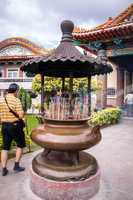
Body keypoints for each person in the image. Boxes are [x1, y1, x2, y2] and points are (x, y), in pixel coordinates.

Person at [0, 83, 26, 176]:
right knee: (20, 145)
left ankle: (3, 168)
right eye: (17, 91)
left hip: (4, 126)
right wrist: (23, 113)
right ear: (16, 91)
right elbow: (20, 115)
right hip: (15, 126)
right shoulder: (16, 100)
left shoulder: (1, 99)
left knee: (5, 147)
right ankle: (16, 166)